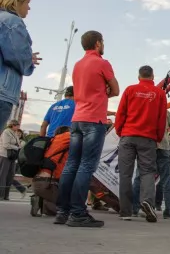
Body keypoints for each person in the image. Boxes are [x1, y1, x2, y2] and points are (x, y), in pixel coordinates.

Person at [55, 30, 119, 227]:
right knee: (86, 166)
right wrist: (103, 92)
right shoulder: (102, 63)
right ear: (98, 43)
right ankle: (78, 212)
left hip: (77, 120)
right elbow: (115, 90)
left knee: (71, 164)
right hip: (94, 121)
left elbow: (82, 89)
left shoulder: (78, 64)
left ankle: (62, 211)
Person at [114, 65, 167, 223]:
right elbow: (161, 118)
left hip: (128, 136)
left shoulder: (130, 90)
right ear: (152, 77)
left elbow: (121, 113)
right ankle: (147, 202)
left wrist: (120, 131)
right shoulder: (159, 93)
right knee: (147, 172)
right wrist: (157, 137)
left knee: (125, 174)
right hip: (148, 138)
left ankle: (125, 211)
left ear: (139, 76)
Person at [0, 0, 41, 130]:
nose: (28, 8)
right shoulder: (12, 22)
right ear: (16, 2)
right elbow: (20, 59)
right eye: (27, 3)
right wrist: (29, 60)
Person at [31, 126, 71, 216]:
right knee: (65, 208)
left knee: (52, 209)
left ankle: (41, 199)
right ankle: (42, 201)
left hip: (37, 182)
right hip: (48, 184)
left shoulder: (52, 141)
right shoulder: (65, 137)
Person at [0, 120, 21, 200]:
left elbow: (17, 143)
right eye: (17, 125)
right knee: (3, 175)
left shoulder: (14, 133)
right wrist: (17, 148)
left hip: (12, 157)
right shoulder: (6, 132)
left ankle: (6, 195)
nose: (18, 127)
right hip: (5, 155)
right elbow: (6, 145)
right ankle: (1, 194)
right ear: (13, 125)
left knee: (10, 176)